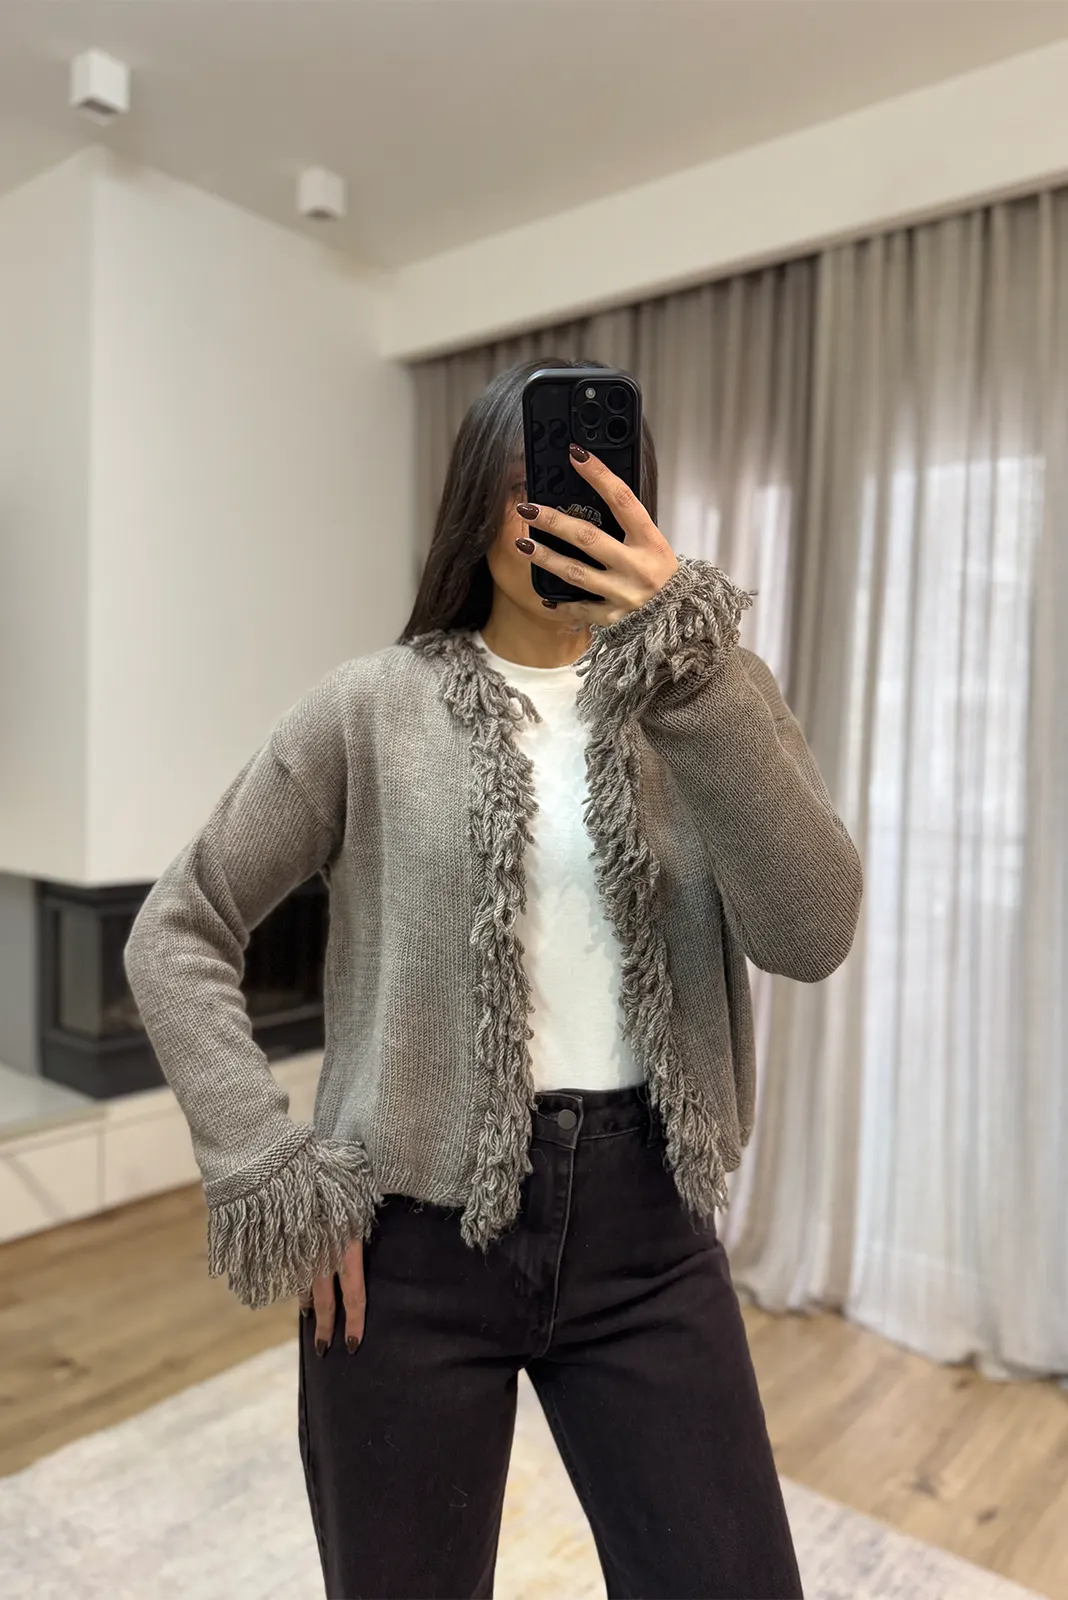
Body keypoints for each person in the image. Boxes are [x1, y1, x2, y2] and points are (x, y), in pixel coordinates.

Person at [124, 355, 862, 1600]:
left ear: (635, 500)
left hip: (650, 1234)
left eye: (587, 479)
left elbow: (813, 931)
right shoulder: (369, 708)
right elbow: (178, 925)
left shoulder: (706, 697)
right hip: (406, 1242)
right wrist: (264, 1161)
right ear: (474, 503)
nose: (552, 514)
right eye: (526, 484)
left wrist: (688, 661)